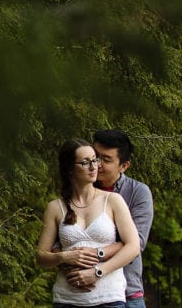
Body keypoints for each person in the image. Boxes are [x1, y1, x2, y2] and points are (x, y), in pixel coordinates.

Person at [37, 139, 140, 307]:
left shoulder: (113, 200)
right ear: (70, 169)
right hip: (67, 300)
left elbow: (133, 246)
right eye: (85, 163)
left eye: (94, 160)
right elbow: (41, 257)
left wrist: (98, 272)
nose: (94, 167)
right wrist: (64, 256)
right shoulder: (55, 207)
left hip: (109, 298)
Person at [89, 129, 153, 308]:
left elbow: (136, 243)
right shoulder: (78, 190)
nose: (97, 164)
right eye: (95, 156)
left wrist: (94, 255)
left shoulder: (138, 193)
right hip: (81, 293)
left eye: (106, 159)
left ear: (124, 166)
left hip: (126, 294)